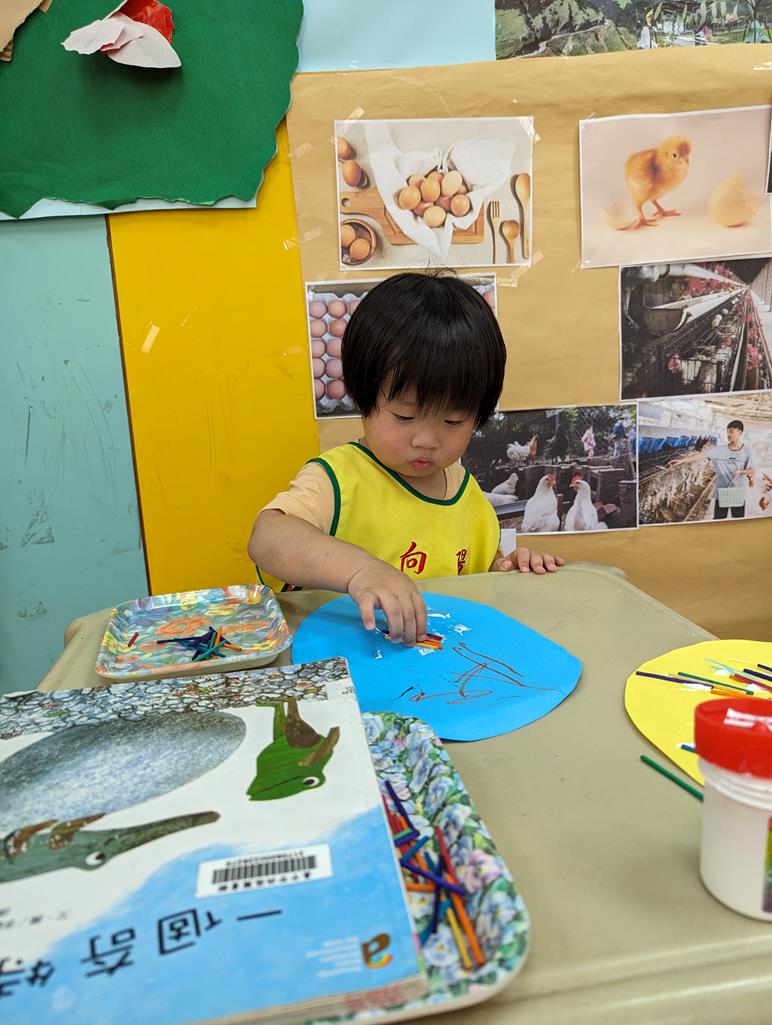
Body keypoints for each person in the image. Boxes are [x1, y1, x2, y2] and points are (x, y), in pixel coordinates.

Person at [248, 272, 564, 647]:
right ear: (364, 397)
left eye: (453, 421)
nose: (426, 440)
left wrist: (507, 570)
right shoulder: (339, 480)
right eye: (404, 416)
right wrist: (360, 570)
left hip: (435, 669)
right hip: (341, 666)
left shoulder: (466, 492)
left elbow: (473, 577)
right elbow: (268, 537)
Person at [667, 419, 755, 520]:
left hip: (738, 492)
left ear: (740, 432)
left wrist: (741, 472)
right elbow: (702, 455)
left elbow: (752, 470)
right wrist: (682, 460)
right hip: (722, 492)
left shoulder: (747, 451)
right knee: (718, 520)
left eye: (731, 432)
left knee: (738, 520)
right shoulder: (720, 450)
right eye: (727, 432)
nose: (728, 434)